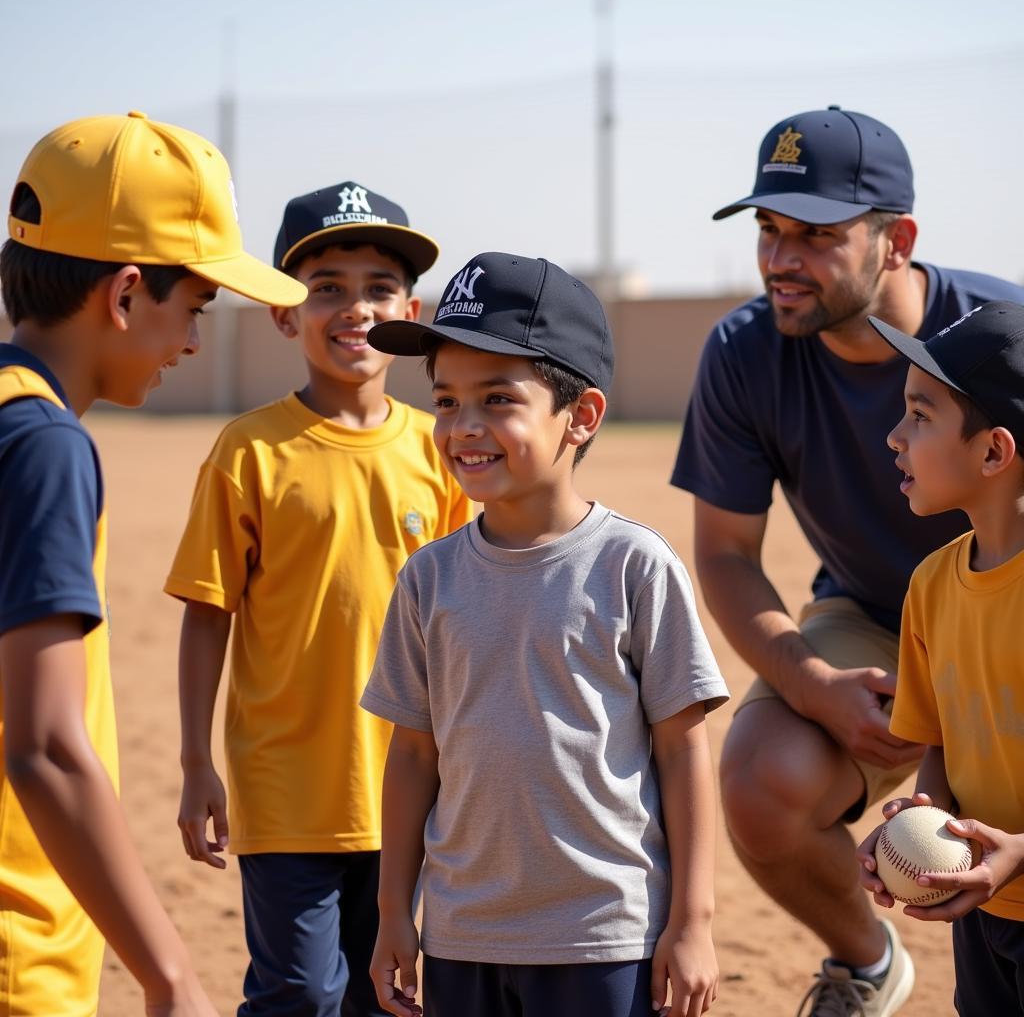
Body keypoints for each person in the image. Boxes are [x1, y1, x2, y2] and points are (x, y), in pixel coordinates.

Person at [670, 105, 1024, 1016]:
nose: (781, 258)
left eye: (817, 235)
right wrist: (814, 680)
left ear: (895, 239)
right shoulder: (744, 353)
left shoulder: (1000, 332)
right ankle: (869, 960)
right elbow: (725, 556)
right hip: (877, 610)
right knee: (756, 779)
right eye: (769, 230)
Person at [361, 252, 730, 1017]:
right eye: (447, 401)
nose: (464, 428)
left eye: (498, 399)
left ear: (581, 416)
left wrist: (692, 923)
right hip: (462, 935)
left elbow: (685, 749)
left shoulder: (635, 566)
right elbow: (413, 753)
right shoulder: (428, 579)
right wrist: (395, 911)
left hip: (604, 939)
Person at [0, 111, 306, 1017]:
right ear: (127, 293)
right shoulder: (43, 445)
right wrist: (170, 974)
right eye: (196, 308)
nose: (194, 343)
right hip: (18, 953)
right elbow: (46, 749)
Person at [165, 181, 472, 1017]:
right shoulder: (250, 451)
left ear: (410, 307)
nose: (354, 309)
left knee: (393, 994)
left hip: (413, 785)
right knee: (298, 994)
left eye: (378, 288)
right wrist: (198, 763)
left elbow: (468, 620)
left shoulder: (440, 452)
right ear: (282, 313)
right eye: (325, 287)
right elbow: (207, 612)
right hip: (284, 789)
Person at [854, 301, 1024, 1016]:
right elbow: (942, 749)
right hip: (983, 909)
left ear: (993, 452)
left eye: (921, 416)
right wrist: (923, 823)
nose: (894, 436)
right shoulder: (931, 586)